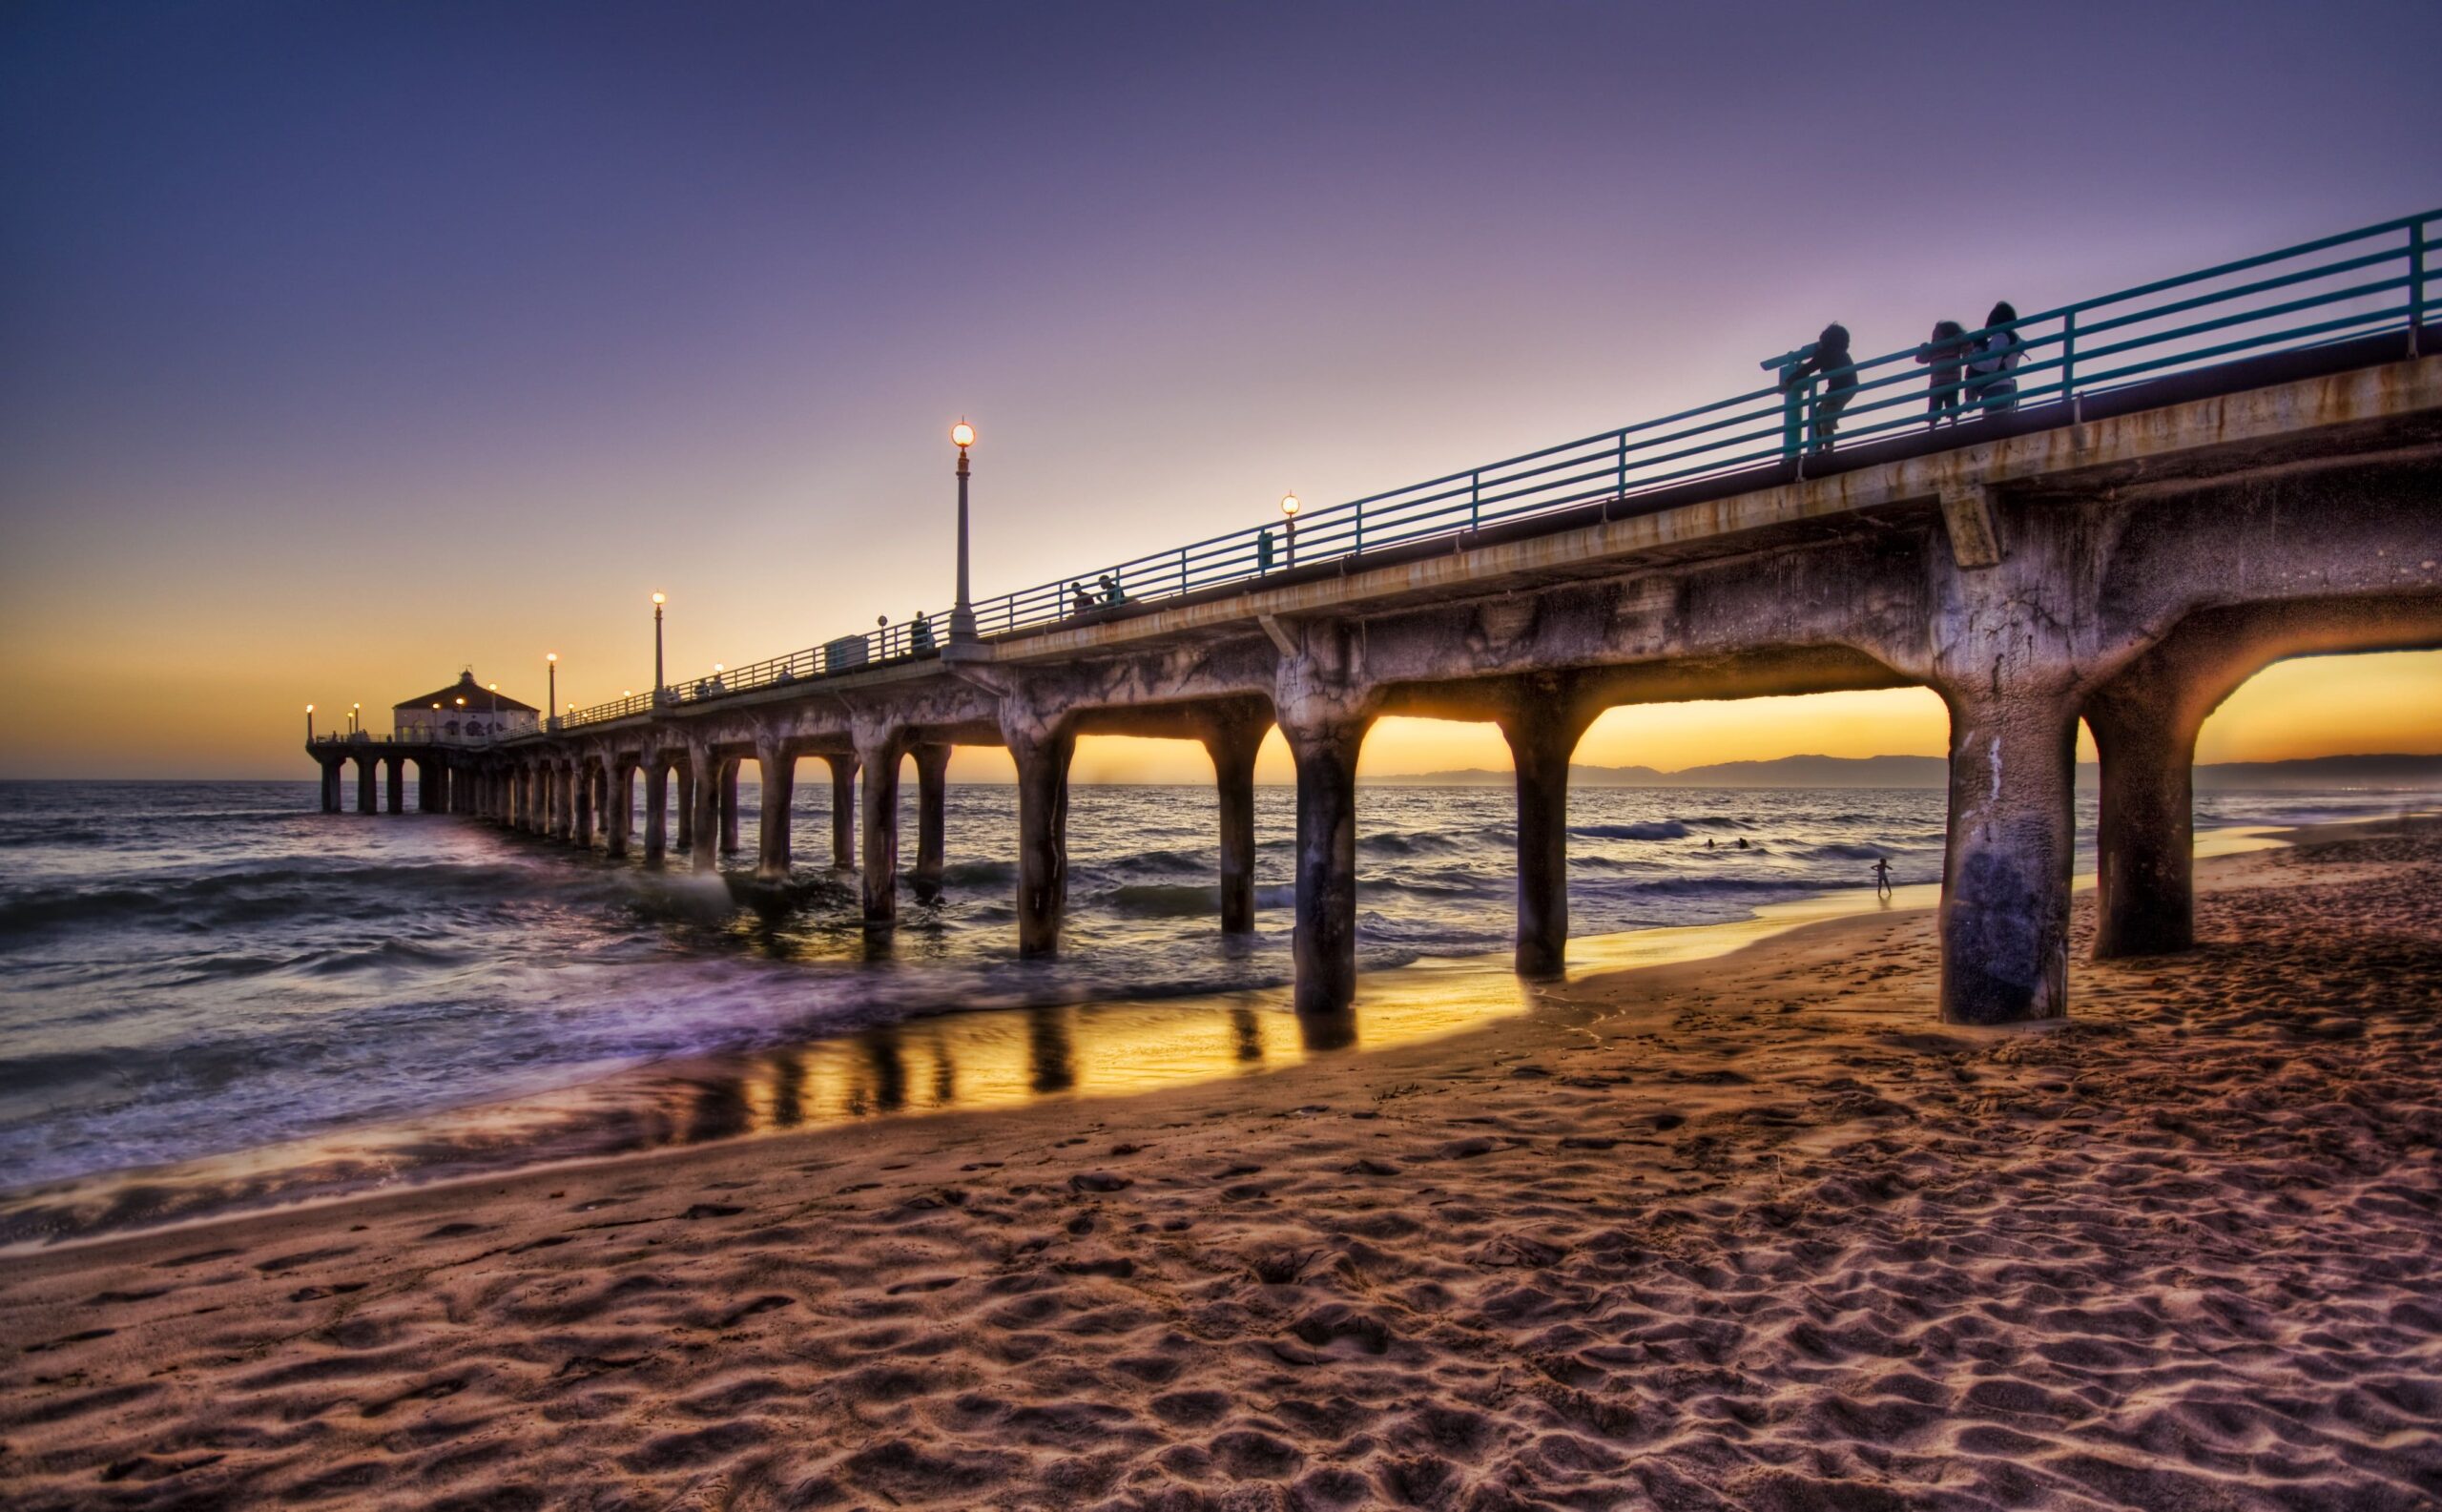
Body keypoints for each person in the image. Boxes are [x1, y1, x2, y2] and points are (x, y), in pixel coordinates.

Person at [1781, 322, 1856, 451]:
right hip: (1843, 389)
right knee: (1817, 415)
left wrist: (1788, 381)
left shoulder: (1827, 352)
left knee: (1823, 419)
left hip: (1838, 391)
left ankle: (1825, 452)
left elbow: (1809, 368)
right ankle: (1820, 449)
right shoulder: (1841, 354)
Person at [1967, 300, 2023, 415]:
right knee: (2003, 429)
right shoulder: (2014, 337)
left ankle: (1970, 399)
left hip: (1995, 389)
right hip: (2008, 388)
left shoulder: (2001, 336)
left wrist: (1972, 360)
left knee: (1993, 428)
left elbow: (1992, 364)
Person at [1915, 320, 1969, 425]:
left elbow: (1967, 353)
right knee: (1934, 408)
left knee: (1952, 405)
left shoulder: (1953, 344)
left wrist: (1963, 340)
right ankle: (1932, 428)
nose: (1934, 337)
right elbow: (1920, 360)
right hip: (1936, 384)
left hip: (1951, 382)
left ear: (1946, 334)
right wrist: (1923, 349)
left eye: (1937, 334)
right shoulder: (1933, 349)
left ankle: (1954, 424)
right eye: (1933, 335)